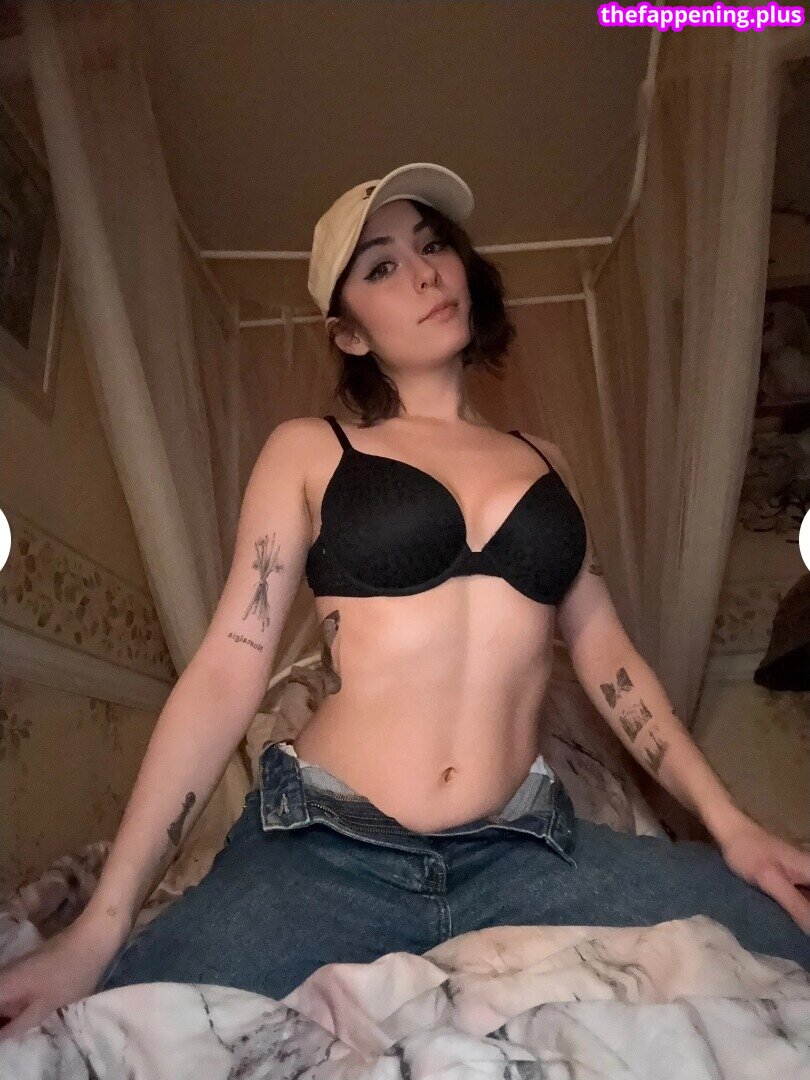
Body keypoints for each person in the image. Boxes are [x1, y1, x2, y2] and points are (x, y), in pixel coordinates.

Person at [1, 163, 808, 1041]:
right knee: (111, 1031)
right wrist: (102, 923)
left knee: (773, 932)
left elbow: (606, 653)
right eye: (382, 266)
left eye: (434, 247)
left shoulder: (548, 461)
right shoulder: (308, 449)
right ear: (348, 333)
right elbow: (230, 669)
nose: (425, 273)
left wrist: (732, 827)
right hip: (324, 852)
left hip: (526, 850)